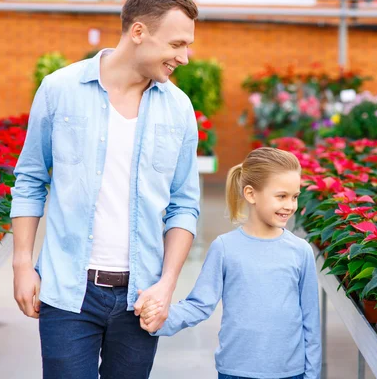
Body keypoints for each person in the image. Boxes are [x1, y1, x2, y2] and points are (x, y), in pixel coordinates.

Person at [10, 0, 200, 378]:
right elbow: (29, 180)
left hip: (141, 298)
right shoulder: (60, 90)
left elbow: (184, 204)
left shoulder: (179, 109)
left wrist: (166, 285)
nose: (185, 57)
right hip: (67, 292)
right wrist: (23, 264)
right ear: (138, 32)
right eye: (177, 44)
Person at [137, 147, 322, 379]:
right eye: (281, 196)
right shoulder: (225, 248)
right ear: (251, 194)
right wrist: (160, 319)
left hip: (290, 373)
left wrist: (312, 375)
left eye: (294, 197)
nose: (290, 205)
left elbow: (311, 322)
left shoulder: (301, 251)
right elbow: (199, 304)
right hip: (235, 371)